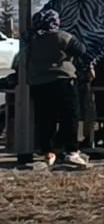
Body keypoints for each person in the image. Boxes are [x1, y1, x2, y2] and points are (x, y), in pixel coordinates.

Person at [18, 9, 90, 170]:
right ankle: (71, 151)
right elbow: (81, 50)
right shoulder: (62, 37)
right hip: (63, 80)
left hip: (39, 83)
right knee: (69, 116)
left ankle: (47, 152)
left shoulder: (32, 38)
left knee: (45, 118)